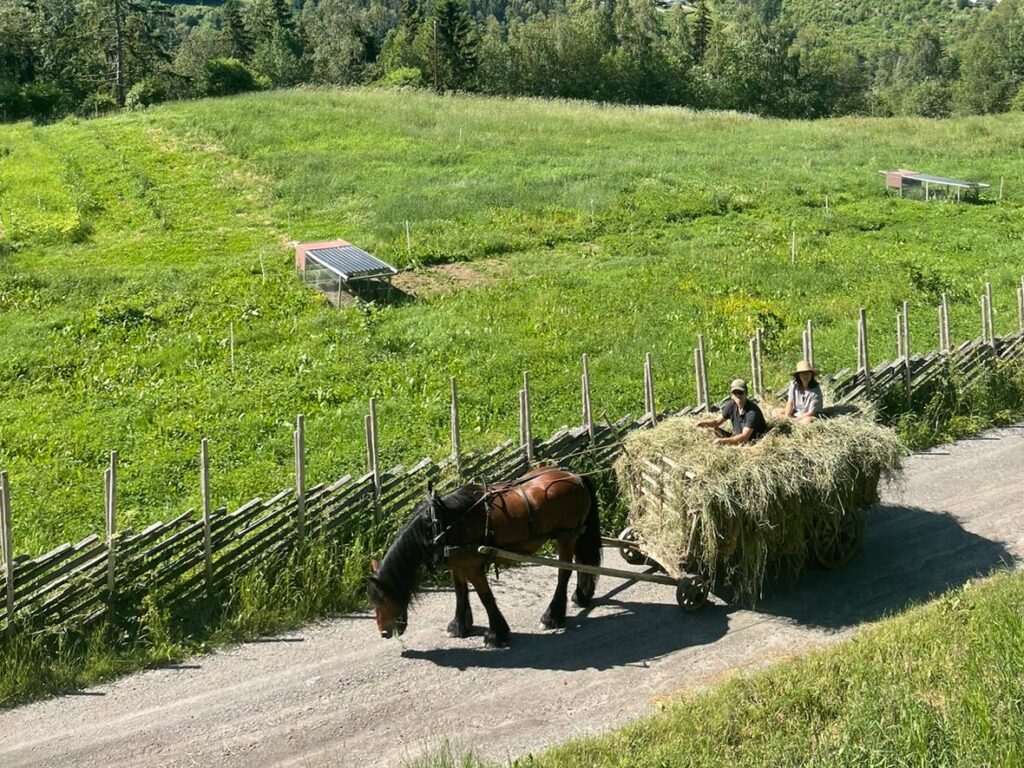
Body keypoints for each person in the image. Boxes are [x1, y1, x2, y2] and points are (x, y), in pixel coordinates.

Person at [696, 378, 768, 445]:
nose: (738, 395)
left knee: (747, 447)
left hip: (752, 441)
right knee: (713, 431)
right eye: (735, 393)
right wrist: (702, 423)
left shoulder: (752, 412)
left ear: (746, 394)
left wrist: (724, 441)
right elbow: (716, 422)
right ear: (732, 395)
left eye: (740, 392)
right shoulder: (731, 405)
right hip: (738, 437)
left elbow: (745, 437)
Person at [773, 359, 823, 424]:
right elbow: (790, 402)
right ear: (798, 375)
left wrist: (795, 420)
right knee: (775, 412)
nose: (805, 376)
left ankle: (796, 422)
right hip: (796, 412)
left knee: (807, 421)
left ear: (811, 375)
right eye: (803, 373)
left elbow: (811, 412)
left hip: (808, 416)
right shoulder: (794, 385)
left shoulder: (816, 391)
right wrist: (787, 416)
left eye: (808, 373)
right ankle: (792, 421)